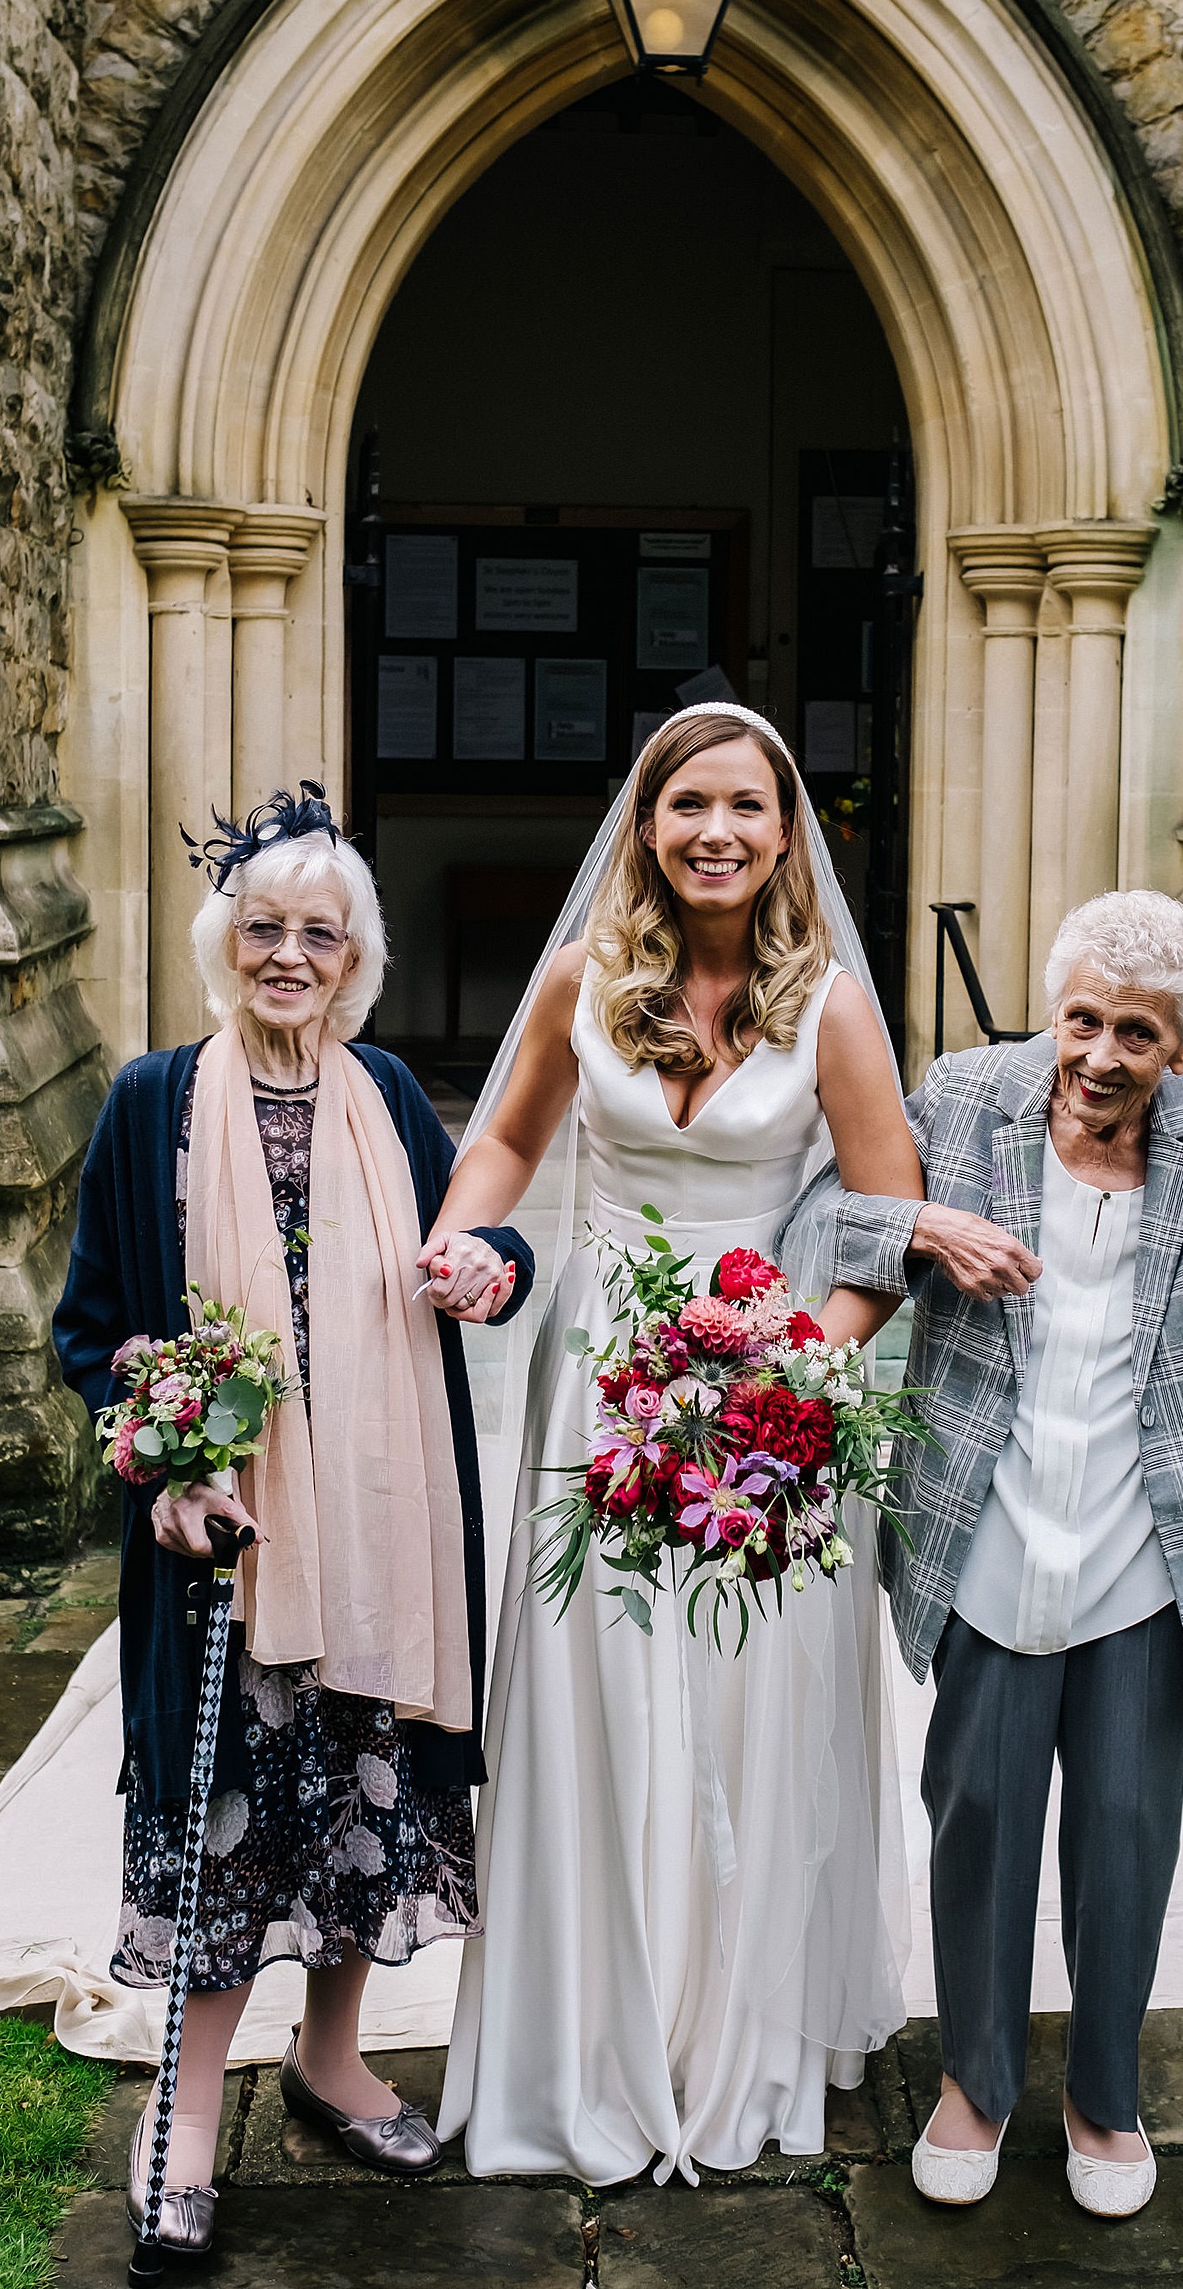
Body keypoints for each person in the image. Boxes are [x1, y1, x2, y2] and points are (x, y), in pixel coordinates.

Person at [779, 888, 1183, 2220]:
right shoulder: (962, 1097)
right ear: (1052, 1006)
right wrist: (928, 1226)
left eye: (1139, 1032)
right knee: (981, 1812)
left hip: (1154, 1547)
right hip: (991, 1524)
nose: (1102, 1054)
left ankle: (1106, 2093)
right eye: (1083, 1017)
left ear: (1181, 1049)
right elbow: (823, 1225)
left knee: (1127, 1823)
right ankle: (978, 2078)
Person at [426, 704, 922, 2183]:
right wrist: (464, 1234)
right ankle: (585, 2034)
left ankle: (735, 2035)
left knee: (749, 1701)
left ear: (785, 831)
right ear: (646, 824)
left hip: (768, 1389)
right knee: (598, 1692)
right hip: (601, 1374)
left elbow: (886, 1221)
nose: (716, 830)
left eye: (745, 806)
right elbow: (509, 1139)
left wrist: (791, 1373)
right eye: (686, 802)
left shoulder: (826, 1002)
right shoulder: (584, 980)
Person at [52, 785, 533, 2255]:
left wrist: (493, 1271)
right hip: (235, 1545)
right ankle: (188, 2117)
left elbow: (479, 1233)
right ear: (223, 940)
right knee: (230, 1822)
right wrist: (170, 1465)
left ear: (353, 956)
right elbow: (94, 1331)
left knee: (372, 1801)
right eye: (263, 926)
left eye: (319, 933)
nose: (289, 954)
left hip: (388, 1521)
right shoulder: (149, 1104)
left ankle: (330, 2057)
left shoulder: (388, 1094)